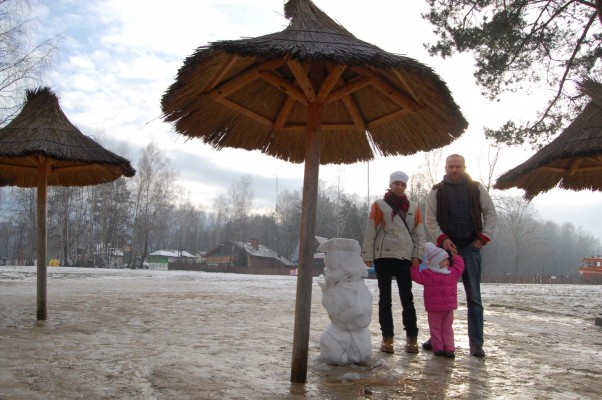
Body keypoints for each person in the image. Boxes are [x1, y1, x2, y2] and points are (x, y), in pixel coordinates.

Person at [425, 154, 497, 357]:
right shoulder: (437, 190)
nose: (454, 170)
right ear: (446, 168)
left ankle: (476, 343)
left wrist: (482, 238)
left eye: (458, 166)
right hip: (445, 250)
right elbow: (430, 218)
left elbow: (490, 213)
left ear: (464, 167)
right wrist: (442, 240)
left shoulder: (476, 188)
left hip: (470, 249)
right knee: (440, 297)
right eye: (451, 166)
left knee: (474, 297)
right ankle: (436, 338)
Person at [362, 170, 426, 354]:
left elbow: (419, 234)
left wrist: (418, 255)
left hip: (405, 257)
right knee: (385, 299)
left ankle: (412, 338)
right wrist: (367, 254)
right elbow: (371, 230)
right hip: (383, 257)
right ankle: (387, 338)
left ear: (406, 186)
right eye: (396, 183)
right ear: (390, 184)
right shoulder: (379, 206)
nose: (399, 186)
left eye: (402, 184)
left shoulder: (414, 208)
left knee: (408, 299)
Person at [411, 242, 464, 358]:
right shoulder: (427, 274)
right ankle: (438, 347)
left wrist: (456, 256)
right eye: (444, 260)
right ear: (436, 262)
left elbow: (460, 267)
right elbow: (415, 276)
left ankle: (449, 348)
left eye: (447, 260)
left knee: (447, 329)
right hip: (434, 308)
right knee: (435, 329)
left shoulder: (451, 273)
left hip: (448, 308)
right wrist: (414, 266)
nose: (447, 262)